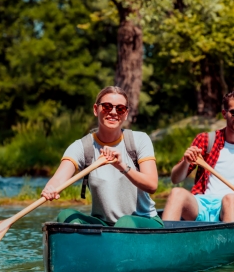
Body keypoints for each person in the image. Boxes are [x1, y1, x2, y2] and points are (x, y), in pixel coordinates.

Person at [41, 86, 163, 228]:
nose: (113, 112)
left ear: (126, 113)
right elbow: (59, 178)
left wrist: (122, 166)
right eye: (106, 107)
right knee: (66, 216)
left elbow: (152, 185)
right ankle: (83, 245)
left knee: (125, 222)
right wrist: (50, 188)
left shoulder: (139, 140)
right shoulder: (82, 147)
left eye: (120, 109)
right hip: (104, 224)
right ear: (95, 109)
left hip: (143, 220)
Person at [162, 90, 234, 223]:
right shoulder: (205, 140)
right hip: (202, 204)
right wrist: (186, 162)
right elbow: (175, 179)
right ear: (224, 114)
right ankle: (165, 239)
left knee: (230, 199)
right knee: (177, 193)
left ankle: (230, 243)